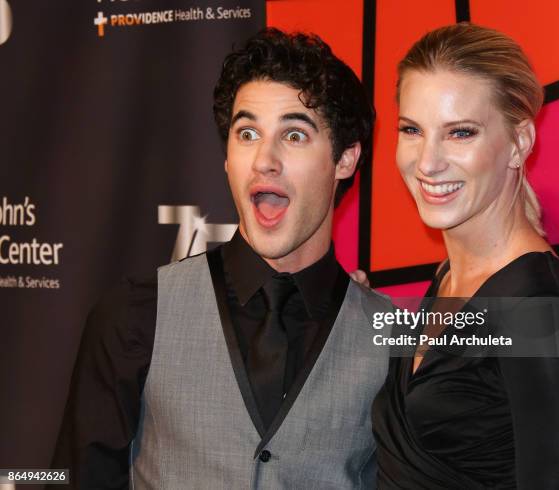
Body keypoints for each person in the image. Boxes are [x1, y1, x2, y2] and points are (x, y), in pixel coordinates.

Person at [52, 28, 393, 489]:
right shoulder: (134, 315)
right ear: (228, 158)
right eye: (247, 133)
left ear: (346, 159)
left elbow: (520, 337)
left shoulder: (395, 339)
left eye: (294, 135)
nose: (264, 160)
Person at [371, 23, 559, 489]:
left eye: (460, 133)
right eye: (412, 130)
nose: (427, 161)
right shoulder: (450, 277)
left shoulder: (546, 306)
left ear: (520, 142)